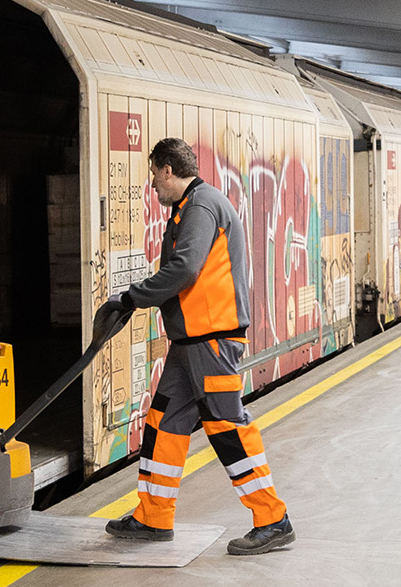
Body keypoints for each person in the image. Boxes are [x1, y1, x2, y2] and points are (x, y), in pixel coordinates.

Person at [94, 137, 296, 556]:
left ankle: (272, 518)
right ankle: (153, 517)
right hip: (189, 344)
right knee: (163, 423)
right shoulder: (190, 208)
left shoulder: (202, 206)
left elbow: (184, 267)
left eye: (153, 175)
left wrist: (133, 297)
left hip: (212, 341)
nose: (152, 185)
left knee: (227, 427)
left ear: (169, 170)